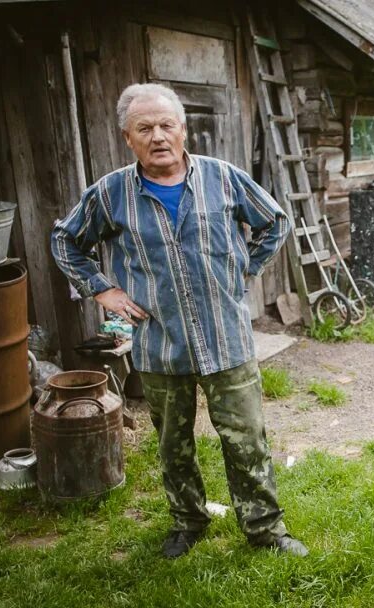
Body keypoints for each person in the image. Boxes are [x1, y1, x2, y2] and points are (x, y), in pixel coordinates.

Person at [51, 82, 307, 559]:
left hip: (225, 337)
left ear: (184, 130)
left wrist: (244, 269)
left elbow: (274, 221)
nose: (158, 136)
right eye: (144, 128)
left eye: (167, 125)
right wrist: (103, 290)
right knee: (173, 443)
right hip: (159, 342)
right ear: (127, 137)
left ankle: (265, 529)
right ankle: (187, 521)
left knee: (247, 438)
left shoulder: (224, 178)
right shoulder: (111, 193)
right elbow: (66, 241)